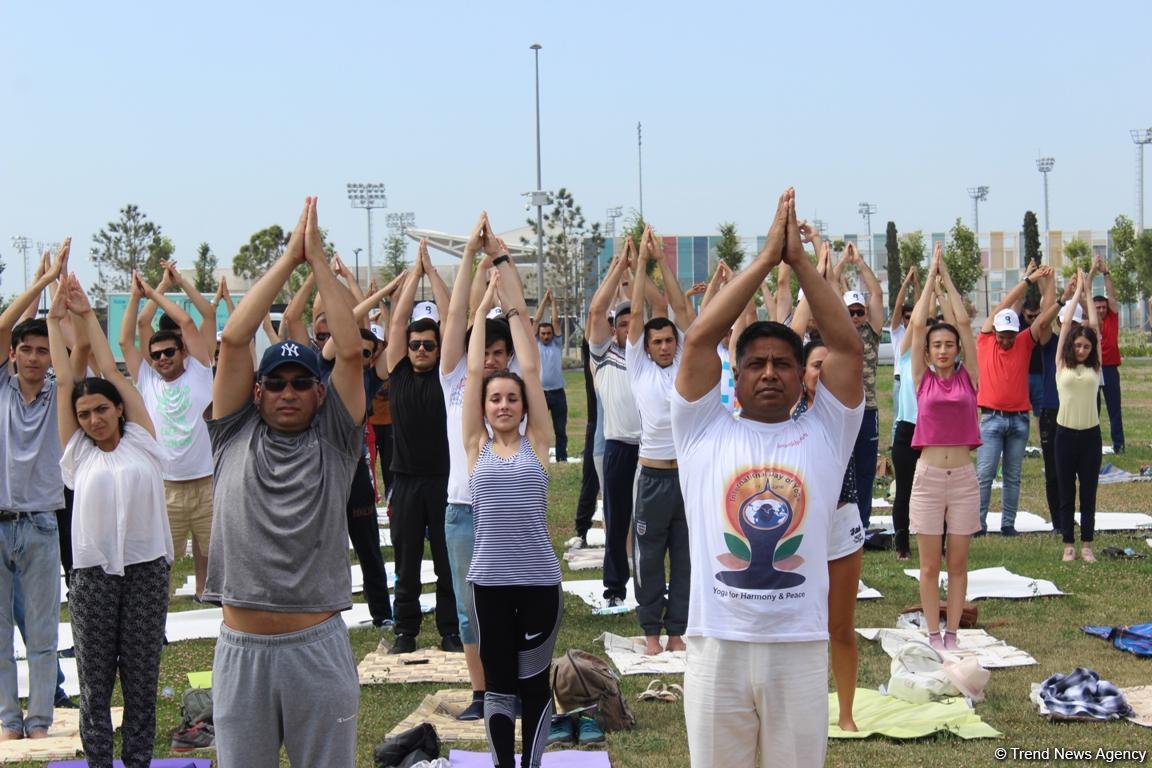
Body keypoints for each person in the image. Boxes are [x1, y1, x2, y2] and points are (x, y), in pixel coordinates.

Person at [673, 190, 863, 768]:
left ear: (802, 374)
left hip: (798, 647)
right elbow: (699, 339)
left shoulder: (826, 431)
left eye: (784, 363)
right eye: (756, 363)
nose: (770, 373)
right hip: (716, 645)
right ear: (736, 375)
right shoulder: (702, 430)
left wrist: (799, 261)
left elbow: (847, 347)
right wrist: (763, 261)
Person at [205, 198, 365, 766]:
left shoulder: (336, 440)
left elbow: (350, 351)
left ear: (319, 393)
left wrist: (316, 258)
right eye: (276, 383)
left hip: (315, 649)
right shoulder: (232, 433)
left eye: (301, 383)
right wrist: (287, 259)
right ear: (258, 392)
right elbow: (232, 341)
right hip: (240, 651)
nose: (289, 392)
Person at [50, 273, 174, 768]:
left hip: (146, 573)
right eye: (84, 414)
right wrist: (58, 318)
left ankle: (138, 761)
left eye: (102, 409)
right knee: (94, 683)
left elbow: (112, 372)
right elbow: (66, 381)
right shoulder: (78, 453)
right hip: (92, 577)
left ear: (119, 409)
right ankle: (100, 762)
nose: (93, 419)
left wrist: (87, 314)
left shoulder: (142, 440)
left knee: (141, 681)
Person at [463, 272, 561, 768]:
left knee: (534, 684)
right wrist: (481, 310)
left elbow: (531, 366)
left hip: (539, 582)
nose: (503, 404)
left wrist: (513, 308)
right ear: (483, 407)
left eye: (512, 398)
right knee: (499, 685)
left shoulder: (538, 444)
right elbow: (473, 372)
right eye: (495, 399)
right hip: (490, 584)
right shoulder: (475, 446)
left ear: (524, 408)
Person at [439, 213, 525, 718]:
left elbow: (519, 314)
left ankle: (511, 689)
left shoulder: (515, 394)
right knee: (470, 608)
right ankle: (481, 693)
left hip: (510, 513)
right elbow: (455, 318)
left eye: (499, 352)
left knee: (513, 606)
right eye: (485, 351)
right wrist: (470, 254)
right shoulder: (455, 383)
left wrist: (501, 257)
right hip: (464, 511)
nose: (491, 359)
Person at [0, 243, 70, 741]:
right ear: (13, 354)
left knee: (43, 633)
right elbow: (5, 325)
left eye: (43, 350)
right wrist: (40, 285)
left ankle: (40, 719)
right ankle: (8, 719)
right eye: (26, 349)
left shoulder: (60, 392)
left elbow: (74, 350)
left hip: (42, 523)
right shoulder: (1, 386)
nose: (33, 357)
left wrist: (60, 295)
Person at [119, 270, 215, 600]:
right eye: (156, 355)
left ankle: (213, 600)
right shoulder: (147, 380)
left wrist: (157, 291)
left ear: (183, 351)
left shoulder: (200, 372)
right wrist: (138, 295)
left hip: (207, 485)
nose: (162, 359)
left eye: (169, 353)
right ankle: (157, 613)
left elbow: (188, 322)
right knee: (162, 563)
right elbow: (125, 341)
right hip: (166, 488)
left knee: (217, 557)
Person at [385, 238, 460, 655]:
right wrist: (414, 275)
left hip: (444, 481)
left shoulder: (448, 374)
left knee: (447, 562)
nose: (420, 350)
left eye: (429, 345)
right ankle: (406, 631)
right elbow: (398, 321)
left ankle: (450, 630)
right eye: (415, 345)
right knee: (406, 561)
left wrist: (432, 270)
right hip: (405, 482)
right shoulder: (397, 372)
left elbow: (451, 316)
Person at [907, 246, 982, 651]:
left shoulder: (970, 378)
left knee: (957, 564)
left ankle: (952, 634)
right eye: (936, 345)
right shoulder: (923, 379)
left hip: (964, 479)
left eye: (948, 345)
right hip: (929, 478)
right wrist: (928, 280)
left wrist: (945, 276)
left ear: (957, 349)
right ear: (928, 350)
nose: (942, 350)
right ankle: (932, 634)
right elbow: (918, 324)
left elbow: (965, 323)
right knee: (929, 565)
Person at [625, 226, 694, 656]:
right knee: (649, 558)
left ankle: (677, 631)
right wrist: (639, 266)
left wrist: (662, 262)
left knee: (684, 557)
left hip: (686, 476)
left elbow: (680, 307)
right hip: (651, 477)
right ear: (647, 347)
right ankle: (651, 631)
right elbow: (636, 312)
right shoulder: (639, 368)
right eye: (658, 342)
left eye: (669, 340)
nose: (666, 346)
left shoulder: (685, 360)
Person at [793, 339, 864, 731]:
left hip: (841, 520)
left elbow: (850, 351)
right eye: (816, 365)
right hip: (800, 525)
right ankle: (800, 709)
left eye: (828, 365)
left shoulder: (844, 410)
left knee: (840, 625)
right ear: (802, 373)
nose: (823, 373)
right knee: (800, 624)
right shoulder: (787, 415)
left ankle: (846, 713)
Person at [975, 265, 1055, 535]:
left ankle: (1008, 524)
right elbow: (1003, 306)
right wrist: (1027, 281)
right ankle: (978, 524)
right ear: (995, 332)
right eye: (1002, 336)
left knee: (1013, 476)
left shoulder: (1024, 341)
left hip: (1019, 420)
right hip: (991, 419)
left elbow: (1045, 317)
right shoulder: (986, 341)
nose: (1007, 341)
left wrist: (1051, 286)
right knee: (984, 475)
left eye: (1011, 335)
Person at [587, 240, 642, 607]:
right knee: (617, 519)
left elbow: (652, 310)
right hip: (619, 447)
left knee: (650, 523)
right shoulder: (604, 354)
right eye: (621, 324)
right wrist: (619, 266)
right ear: (614, 329)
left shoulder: (650, 358)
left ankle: (649, 586)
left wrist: (638, 272)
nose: (626, 329)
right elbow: (595, 310)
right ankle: (614, 588)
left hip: (652, 450)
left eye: (631, 323)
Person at [1055, 270, 1102, 562]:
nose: (1082, 349)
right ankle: (1068, 545)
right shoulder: (1062, 363)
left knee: (1088, 492)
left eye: (1086, 346)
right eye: (1078, 345)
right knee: (1066, 492)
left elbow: (1093, 326)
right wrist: (1074, 295)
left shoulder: (1096, 366)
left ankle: (1086, 545)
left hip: (1090, 437)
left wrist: (1087, 289)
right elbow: (1065, 328)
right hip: (1064, 435)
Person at [1089, 256, 1124, 453]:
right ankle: (1093, 445)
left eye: (1103, 307)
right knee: (1092, 410)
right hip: (1093, 368)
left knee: (1114, 409)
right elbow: (1085, 292)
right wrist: (1091, 272)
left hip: (1110, 368)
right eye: (1098, 307)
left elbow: (1111, 296)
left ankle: (1119, 445)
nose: (1101, 310)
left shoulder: (1112, 317)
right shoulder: (1088, 321)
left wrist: (1105, 273)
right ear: (1092, 309)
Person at [534, 288, 569, 462]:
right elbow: (536, 320)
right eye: (543, 334)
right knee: (538, 429)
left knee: (560, 429)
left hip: (558, 393)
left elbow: (555, 320)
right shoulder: (535, 343)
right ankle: (538, 457)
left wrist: (553, 302)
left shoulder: (556, 343)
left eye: (548, 333)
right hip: (540, 394)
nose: (546, 336)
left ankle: (561, 458)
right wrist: (543, 302)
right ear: (539, 335)